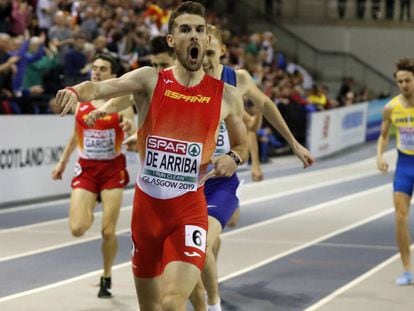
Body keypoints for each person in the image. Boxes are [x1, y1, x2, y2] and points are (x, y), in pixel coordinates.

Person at [55, 2, 249, 310]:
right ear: (172, 40)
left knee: (172, 302)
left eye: (199, 29)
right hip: (146, 214)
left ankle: (212, 304)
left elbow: (242, 144)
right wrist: (77, 91)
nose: (194, 36)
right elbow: (102, 87)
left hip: (189, 210)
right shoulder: (150, 80)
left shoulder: (226, 95)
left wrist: (235, 159)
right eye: (185, 29)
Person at [189, 24, 314, 311]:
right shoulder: (186, 78)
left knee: (201, 244)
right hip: (188, 179)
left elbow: (267, 107)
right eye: (199, 52)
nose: (204, 60)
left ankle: (213, 303)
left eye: (210, 52)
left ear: (222, 51)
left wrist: (294, 144)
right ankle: (207, 281)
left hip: (222, 175)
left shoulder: (237, 79)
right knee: (201, 246)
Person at [51, 53, 135, 298]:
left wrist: (129, 129)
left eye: (103, 69)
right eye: (95, 68)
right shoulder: (81, 101)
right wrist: (62, 163)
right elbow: (74, 134)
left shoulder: (121, 102)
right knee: (77, 228)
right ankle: (93, 200)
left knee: (108, 232)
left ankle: (106, 276)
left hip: (112, 171)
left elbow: (132, 128)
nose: (97, 72)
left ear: (112, 75)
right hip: (87, 169)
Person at [377, 58, 414, 286]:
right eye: (400, 81)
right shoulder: (391, 107)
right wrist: (380, 156)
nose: (404, 85)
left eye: (408, 80)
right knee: (400, 219)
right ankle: (407, 270)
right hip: (405, 166)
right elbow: (383, 135)